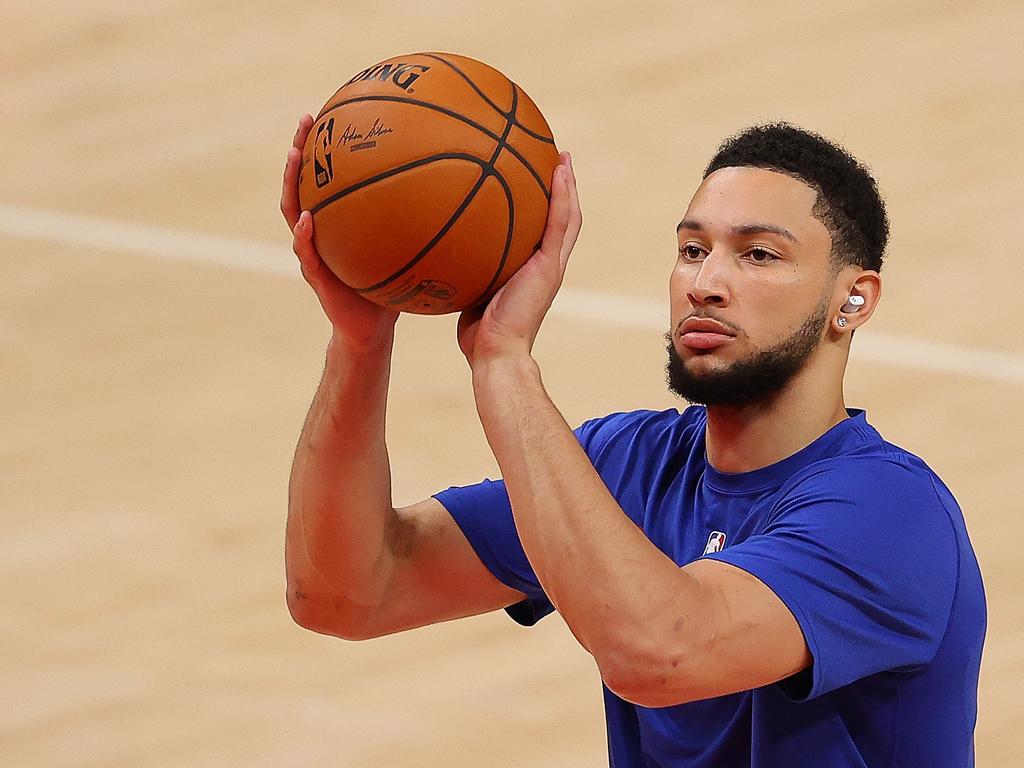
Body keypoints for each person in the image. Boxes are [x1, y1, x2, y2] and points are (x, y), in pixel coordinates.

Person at [280, 118, 986, 767]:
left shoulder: (892, 513)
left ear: (853, 299)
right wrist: (360, 339)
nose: (706, 284)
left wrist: (503, 362)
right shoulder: (629, 464)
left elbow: (659, 652)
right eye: (692, 249)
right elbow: (347, 593)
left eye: (759, 254)